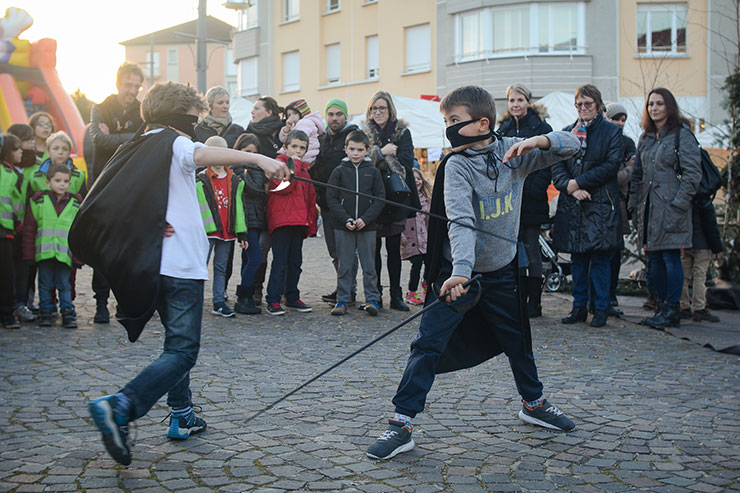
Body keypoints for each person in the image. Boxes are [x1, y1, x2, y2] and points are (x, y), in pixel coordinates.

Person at [366, 86, 580, 461]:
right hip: (456, 276)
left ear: (483, 123)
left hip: (502, 273)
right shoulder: (456, 166)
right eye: (445, 122)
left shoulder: (514, 154)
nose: (448, 129)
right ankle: (401, 424)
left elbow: (572, 145)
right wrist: (461, 271)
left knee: (519, 342)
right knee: (427, 344)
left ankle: (534, 404)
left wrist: (537, 141)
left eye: (454, 121)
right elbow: (461, 222)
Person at [85, 81, 289, 466]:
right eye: (193, 121)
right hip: (180, 269)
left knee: (173, 347)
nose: (194, 128)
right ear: (181, 120)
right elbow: (198, 152)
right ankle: (122, 405)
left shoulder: (135, 148)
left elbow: (118, 198)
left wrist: (146, 222)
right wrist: (260, 160)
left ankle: (182, 415)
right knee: (183, 351)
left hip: (158, 265)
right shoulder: (171, 142)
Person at [628, 88, 701, 330]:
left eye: (659, 103)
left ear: (669, 106)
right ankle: (660, 307)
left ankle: (672, 309)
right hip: (649, 210)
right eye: (650, 104)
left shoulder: (682, 135)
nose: (654, 108)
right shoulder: (646, 137)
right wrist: (634, 204)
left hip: (672, 209)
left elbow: (693, 175)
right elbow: (637, 175)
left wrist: (678, 205)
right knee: (655, 261)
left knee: (670, 258)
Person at [551, 84, 622, 328]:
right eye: (579, 104)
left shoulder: (612, 131)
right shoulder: (567, 132)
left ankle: (600, 308)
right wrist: (570, 186)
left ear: (598, 105)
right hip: (574, 204)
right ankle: (578, 306)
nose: (583, 108)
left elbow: (612, 165)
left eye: (588, 104)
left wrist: (579, 182)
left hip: (600, 204)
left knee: (600, 260)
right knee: (578, 260)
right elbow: (557, 164)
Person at [88, 61, 145, 324]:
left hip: (131, 188)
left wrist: (120, 137)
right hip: (103, 186)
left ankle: (125, 303)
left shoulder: (143, 111)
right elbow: (100, 140)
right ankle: (101, 303)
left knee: (127, 250)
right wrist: (132, 137)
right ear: (117, 83)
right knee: (104, 249)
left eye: (136, 86)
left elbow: (143, 142)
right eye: (128, 85)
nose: (132, 90)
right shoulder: (101, 108)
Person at [497, 83, 553, 317]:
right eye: (512, 101)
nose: (516, 105)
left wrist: (533, 188)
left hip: (531, 199)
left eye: (520, 100)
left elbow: (548, 162)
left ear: (529, 102)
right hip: (509, 199)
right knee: (511, 249)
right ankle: (517, 298)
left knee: (531, 248)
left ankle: (535, 302)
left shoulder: (541, 127)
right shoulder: (504, 127)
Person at [361, 91, 421, 311]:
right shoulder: (363, 132)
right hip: (373, 196)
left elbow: (407, 161)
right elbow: (361, 158)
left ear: (390, 110)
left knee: (394, 249)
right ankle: (374, 294)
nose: (378, 112)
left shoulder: (403, 132)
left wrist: (380, 158)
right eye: (374, 108)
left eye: (382, 108)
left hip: (396, 196)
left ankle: (396, 296)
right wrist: (381, 152)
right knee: (373, 249)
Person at [326, 130, 385, 316]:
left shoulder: (373, 172)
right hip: (344, 226)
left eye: (360, 149)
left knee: (369, 266)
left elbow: (380, 198)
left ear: (367, 150)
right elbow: (331, 197)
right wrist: (346, 219)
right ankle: (343, 299)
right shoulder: (339, 171)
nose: (356, 153)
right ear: (346, 149)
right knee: (345, 265)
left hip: (367, 227)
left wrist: (365, 219)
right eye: (352, 149)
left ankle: (372, 299)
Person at [310, 98, 360, 304]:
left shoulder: (353, 137)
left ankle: (349, 290)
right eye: (331, 114)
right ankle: (342, 287)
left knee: (347, 251)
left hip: (347, 204)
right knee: (334, 251)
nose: (334, 118)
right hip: (326, 203)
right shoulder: (321, 139)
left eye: (339, 114)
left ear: (345, 116)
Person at [264, 130, 317, 316]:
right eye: (294, 146)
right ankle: (273, 299)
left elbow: (311, 199)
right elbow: (284, 187)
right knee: (280, 262)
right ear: (285, 147)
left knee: (296, 262)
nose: (298, 151)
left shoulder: (305, 171)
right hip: (282, 221)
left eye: (302, 148)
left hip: (299, 223)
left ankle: (292, 296)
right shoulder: (279, 165)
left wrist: (311, 225)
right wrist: (293, 164)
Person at [22, 164, 82, 328]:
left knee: (64, 284)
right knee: (45, 284)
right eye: (58, 180)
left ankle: (68, 313)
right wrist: (28, 255)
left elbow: (79, 234)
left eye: (66, 181)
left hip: (65, 254)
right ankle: (46, 312)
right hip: (44, 253)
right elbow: (29, 230)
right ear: (48, 182)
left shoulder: (76, 204)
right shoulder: (38, 201)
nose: (62, 184)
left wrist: (78, 258)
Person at [196, 136, 249, 318]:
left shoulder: (235, 180)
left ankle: (218, 302)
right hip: (207, 231)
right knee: (200, 266)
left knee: (221, 268)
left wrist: (242, 233)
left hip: (227, 231)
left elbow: (239, 207)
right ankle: (195, 300)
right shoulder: (200, 179)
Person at [601, 102, 637, 315]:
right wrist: (627, 170)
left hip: (619, 205)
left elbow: (622, 178)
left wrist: (626, 172)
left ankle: (610, 294)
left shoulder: (627, 142)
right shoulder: (605, 140)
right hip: (601, 203)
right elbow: (613, 176)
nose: (620, 123)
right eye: (616, 119)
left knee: (615, 252)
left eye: (623, 119)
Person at [233, 133, 267, 315]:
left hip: (255, 220)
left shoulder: (255, 170)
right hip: (245, 221)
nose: (250, 156)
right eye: (247, 152)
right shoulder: (237, 170)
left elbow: (258, 190)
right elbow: (251, 189)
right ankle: (243, 297)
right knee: (254, 259)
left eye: (254, 152)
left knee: (250, 259)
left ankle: (245, 296)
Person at [6, 125, 37, 323]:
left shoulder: (35, 165)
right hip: (9, 225)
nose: (31, 143)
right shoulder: (6, 169)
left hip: (27, 223)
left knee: (26, 265)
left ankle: (24, 301)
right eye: (27, 139)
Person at [680, 202, 723, 322]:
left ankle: (684, 306)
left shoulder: (685, 200)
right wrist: (717, 249)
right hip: (703, 244)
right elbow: (711, 226)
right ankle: (699, 309)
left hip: (686, 243)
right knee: (700, 276)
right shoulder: (705, 203)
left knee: (683, 276)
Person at [0, 134, 25, 329]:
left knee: (6, 276)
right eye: (17, 149)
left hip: (6, 233)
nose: (21, 152)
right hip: (6, 232)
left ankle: (7, 314)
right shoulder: (14, 175)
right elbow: (19, 208)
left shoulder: (15, 175)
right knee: (6, 276)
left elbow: (17, 205)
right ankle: (7, 316)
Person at [401, 168, 432, 306]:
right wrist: (401, 235)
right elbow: (399, 219)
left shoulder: (426, 200)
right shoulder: (404, 199)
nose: (417, 181)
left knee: (430, 263)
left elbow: (429, 221)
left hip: (424, 239)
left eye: (419, 178)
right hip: (410, 239)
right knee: (417, 263)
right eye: (413, 179)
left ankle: (426, 283)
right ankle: (411, 291)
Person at [29, 131, 87, 197]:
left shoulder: (78, 176)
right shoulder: (35, 176)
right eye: (55, 148)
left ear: (69, 153)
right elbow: (29, 204)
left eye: (65, 149)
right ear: (48, 152)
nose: (60, 152)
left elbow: (84, 203)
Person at [278, 99, 325, 164]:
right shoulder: (295, 125)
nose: (292, 117)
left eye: (295, 113)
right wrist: (286, 129)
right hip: (302, 154)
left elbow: (297, 138)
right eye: (289, 115)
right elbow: (284, 140)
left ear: (302, 113)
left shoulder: (305, 122)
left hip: (306, 155)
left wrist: (280, 153)